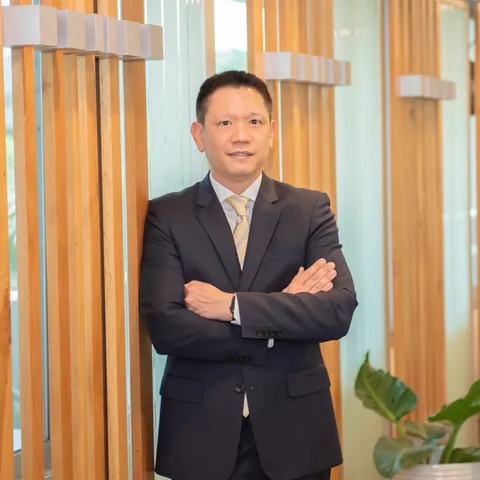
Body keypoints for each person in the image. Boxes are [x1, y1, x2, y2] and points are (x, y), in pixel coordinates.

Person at [139, 70, 358, 480]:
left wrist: (231, 307)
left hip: (296, 431)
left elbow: (337, 311)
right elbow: (168, 329)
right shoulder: (167, 215)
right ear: (199, 135)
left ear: (271, 132)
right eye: (225, 122)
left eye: (254, 121)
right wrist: (279, 320)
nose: (241, 136)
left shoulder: (309, 210)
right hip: (199, 433)